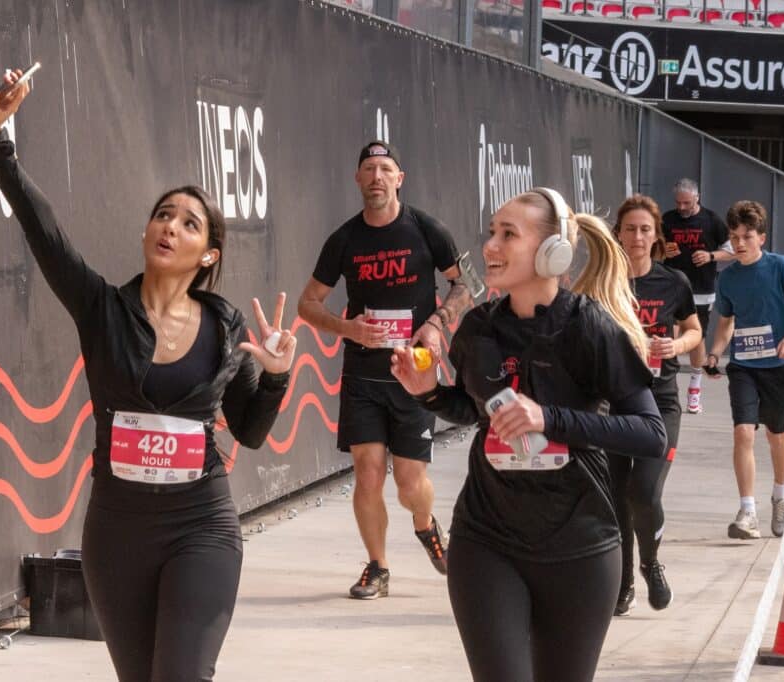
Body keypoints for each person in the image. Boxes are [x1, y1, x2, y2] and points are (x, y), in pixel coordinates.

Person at [0, 69, 296, 681]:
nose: (170, 226)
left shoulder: (225, 325)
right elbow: (44, 230)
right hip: (117, 534)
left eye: (189, 223)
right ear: (147, 231)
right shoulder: (101, 310)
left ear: (208, 254)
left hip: (201, 526)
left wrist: (277, 377)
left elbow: (250, 432)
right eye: (163, 215)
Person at [391, 188, 666, 681]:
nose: (490, 246)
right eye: (491, 232)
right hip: (486, 539)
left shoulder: (590, 328)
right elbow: (478, 412)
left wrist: (549, 419)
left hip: (580, 546)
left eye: (508, 234)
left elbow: (650, 434)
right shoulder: (478, 329)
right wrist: (428, 393)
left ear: (552, 250)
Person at [297, 141, 471, 598]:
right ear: (358, 179)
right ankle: (377, 567)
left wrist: (436, 323)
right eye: (369, 169)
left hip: (412, 376)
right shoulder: (344, 239)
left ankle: (425, 523)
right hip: (363, 377)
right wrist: (347, 328)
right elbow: (307, 303)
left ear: (399, 178)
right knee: (368, 472)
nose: (377, 176)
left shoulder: (427, 230)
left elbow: (463, 286)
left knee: (410, 484)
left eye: (385, 169)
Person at [706, 200, 784, 540]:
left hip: (778, 365)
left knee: (775, 433)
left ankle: (781, 493)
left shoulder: (782, 267)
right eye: (734, 237)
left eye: (747, 236)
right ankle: (748, 511)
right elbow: (726, 323)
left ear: (761, 238)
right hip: (743, 365)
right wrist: (715, 353)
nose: (739, 243)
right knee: (743, 432)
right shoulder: (727, 279)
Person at [611, 194, 702, 616]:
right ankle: (623, 582)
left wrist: (676, 346)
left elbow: (694, 329)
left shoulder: (673, 282)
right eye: (630, 229)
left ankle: (650, 562)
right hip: (612, 404)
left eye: (645, 229)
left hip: (659, 401)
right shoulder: (603, 281)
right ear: (618, 234)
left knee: (644, 492)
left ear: (656, 236)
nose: (637, 236)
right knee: (615, 497)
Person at [661, 178, 734, 415]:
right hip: (671, 287)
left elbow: (732, 250)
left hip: (702, 289)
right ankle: (665, 386)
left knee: (697, 337)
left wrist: (710, 256)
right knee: (667, 334)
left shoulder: (711, 220)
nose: (681, 208)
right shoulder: (667, 219)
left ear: (697, 198)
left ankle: (695, 388)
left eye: (687, 203)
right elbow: (653, 247)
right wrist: (663, 249)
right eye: (678, 203)